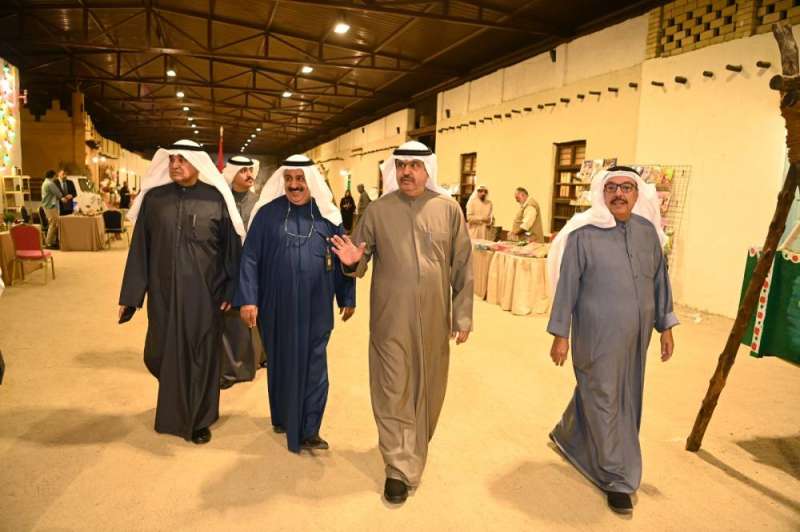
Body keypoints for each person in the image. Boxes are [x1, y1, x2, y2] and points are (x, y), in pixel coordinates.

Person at [330, 140, 473, 504]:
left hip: (434, 320)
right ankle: (397, 466)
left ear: (428, 170)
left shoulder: (448, 210)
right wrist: (352, 261)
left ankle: (414, 447)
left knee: (429, 390)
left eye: (415, 165)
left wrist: (463, 314)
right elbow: (359, 260)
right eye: (401, 165)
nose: (407, 172)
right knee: (392, 387)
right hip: (390, 317)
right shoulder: (378, 211)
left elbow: (462, 266)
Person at [546, 166, 678, 515]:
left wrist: (666, 326)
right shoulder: (583, 235)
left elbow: (660, 282)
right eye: (612, 188)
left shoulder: (647, 232)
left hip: (637, 336)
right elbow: (567, 287)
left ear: (637, 193)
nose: (619, 194)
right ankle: (616, 476)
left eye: (627, 187)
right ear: (601, 193)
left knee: (621, 395)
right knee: (604, 395)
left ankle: (568, 436)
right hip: (596, 333)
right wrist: (561, 334)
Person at [118, 139, 244, 445]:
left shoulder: (216, 199)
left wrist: (232, 289)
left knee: (201, 355)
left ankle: (199, 421)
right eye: (172, 159)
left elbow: (232, 251)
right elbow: (140, 250)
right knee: (161, 353)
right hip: (163, 295)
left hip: (205, 295)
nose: (175, 164)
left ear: (196, 163)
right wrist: (131, 297)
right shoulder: (155, 200)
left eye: (182, 159)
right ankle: (173, 414)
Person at [236, 154, 355, 453]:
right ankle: (282, 416)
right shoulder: (267, 215)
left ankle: (310, 429)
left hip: (317, 305)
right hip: (276, 305)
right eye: (288, 179)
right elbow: (250, 258)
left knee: (315, 365)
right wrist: (248, 299)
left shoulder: (328, 218)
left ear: (311, 181)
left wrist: (347, 296)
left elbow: (344, 256)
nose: (293, 184)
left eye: (300, 179)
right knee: (280, 362)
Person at [218, 155, 264, 389]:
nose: (249, 174)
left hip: (255, 265)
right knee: (231, 317)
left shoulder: (259, 202)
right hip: (228, 265)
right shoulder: (221, 200)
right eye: (242, 170)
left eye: (250, 170)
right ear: (232, 174)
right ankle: (233, 366)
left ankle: (258, 358)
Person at [40, 170, 62, 249]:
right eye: (55, 176)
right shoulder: (50, 183)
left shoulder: (45, 182)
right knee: (53, 224)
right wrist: (62, 197)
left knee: (53, 224)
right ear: (53, 176)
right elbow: (58, 193)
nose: (56, 177)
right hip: (51, 206)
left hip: (47, 206)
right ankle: (48, 243)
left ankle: (51, 242)